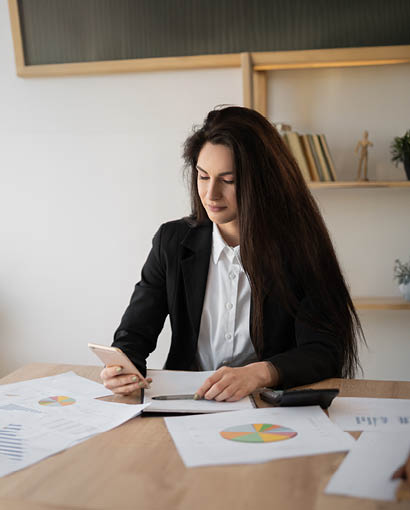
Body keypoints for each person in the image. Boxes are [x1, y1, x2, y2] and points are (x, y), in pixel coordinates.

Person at [100, 106, 364, 401]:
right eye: (203, 176)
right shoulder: (172, 242)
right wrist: (124, 367)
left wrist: (261, 372)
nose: (211, 194)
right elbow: (134, 334)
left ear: (262, 183)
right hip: (188, 402)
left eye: (228, 181)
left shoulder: (300, 248)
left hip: (268, 404)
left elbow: (324, 351)